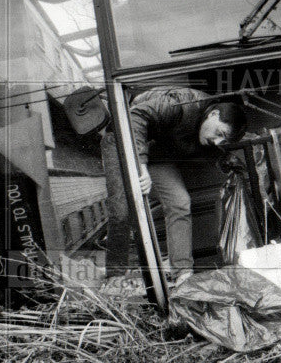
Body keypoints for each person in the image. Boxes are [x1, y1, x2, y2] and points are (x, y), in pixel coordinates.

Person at [101, 87, 247, 286]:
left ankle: (182, 273)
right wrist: (141, 166)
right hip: (122, 140)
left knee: (179, 203)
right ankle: (115, 276)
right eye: (219, 133)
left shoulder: (207, 129)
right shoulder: (181, 103)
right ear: (213, 114)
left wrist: (227, 158)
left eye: (224, 140)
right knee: (122, 210)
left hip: (155, 152)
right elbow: (136, 117)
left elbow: (205, 148)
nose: (217, 141)